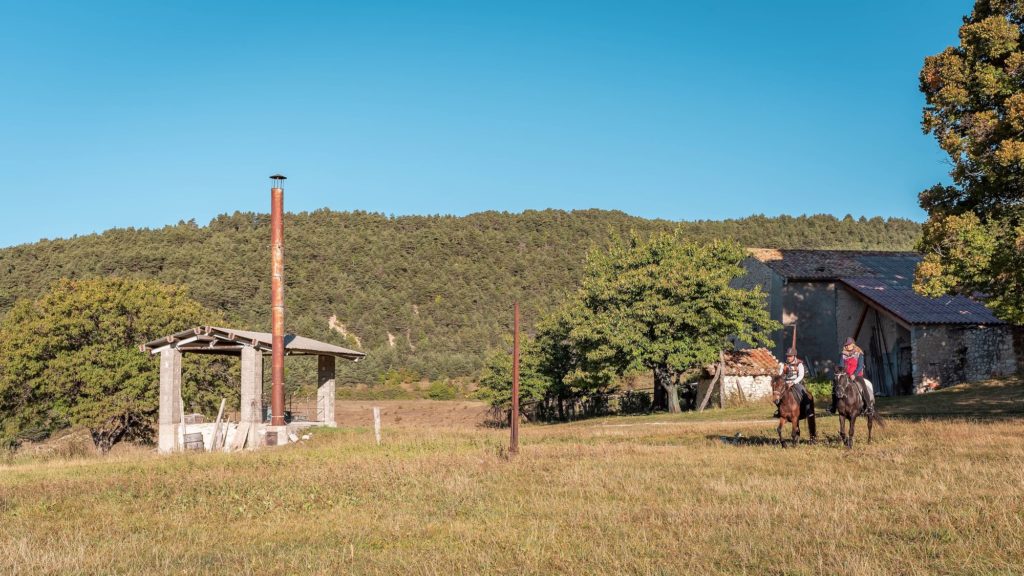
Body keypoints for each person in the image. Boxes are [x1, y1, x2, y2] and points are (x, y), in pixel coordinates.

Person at [838, 337, 874, 415]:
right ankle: (833, 406)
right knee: (836, 386)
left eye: (848, 344)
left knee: (864, 388)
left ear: (853, 344)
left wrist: (854, 375)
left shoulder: (859, 353)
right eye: (846, 345)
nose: (847, 346)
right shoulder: (843, 354)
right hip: (846, 376)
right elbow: (841, 365)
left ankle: (868, 407)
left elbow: (860, 366)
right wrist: (841, 372)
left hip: (857, 375)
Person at [774, 348, 809, 417]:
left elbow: (801, 375)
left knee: (804, 394)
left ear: (794, 356)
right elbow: (780, 375)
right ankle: (779, 411)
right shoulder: (783, 364)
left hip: (796, 383)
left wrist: (793, 383)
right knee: (776, 396)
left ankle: (808, 410)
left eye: (790, 356)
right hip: (785, 383)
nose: (788, 357)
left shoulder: (799, 364)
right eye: (787, 356)